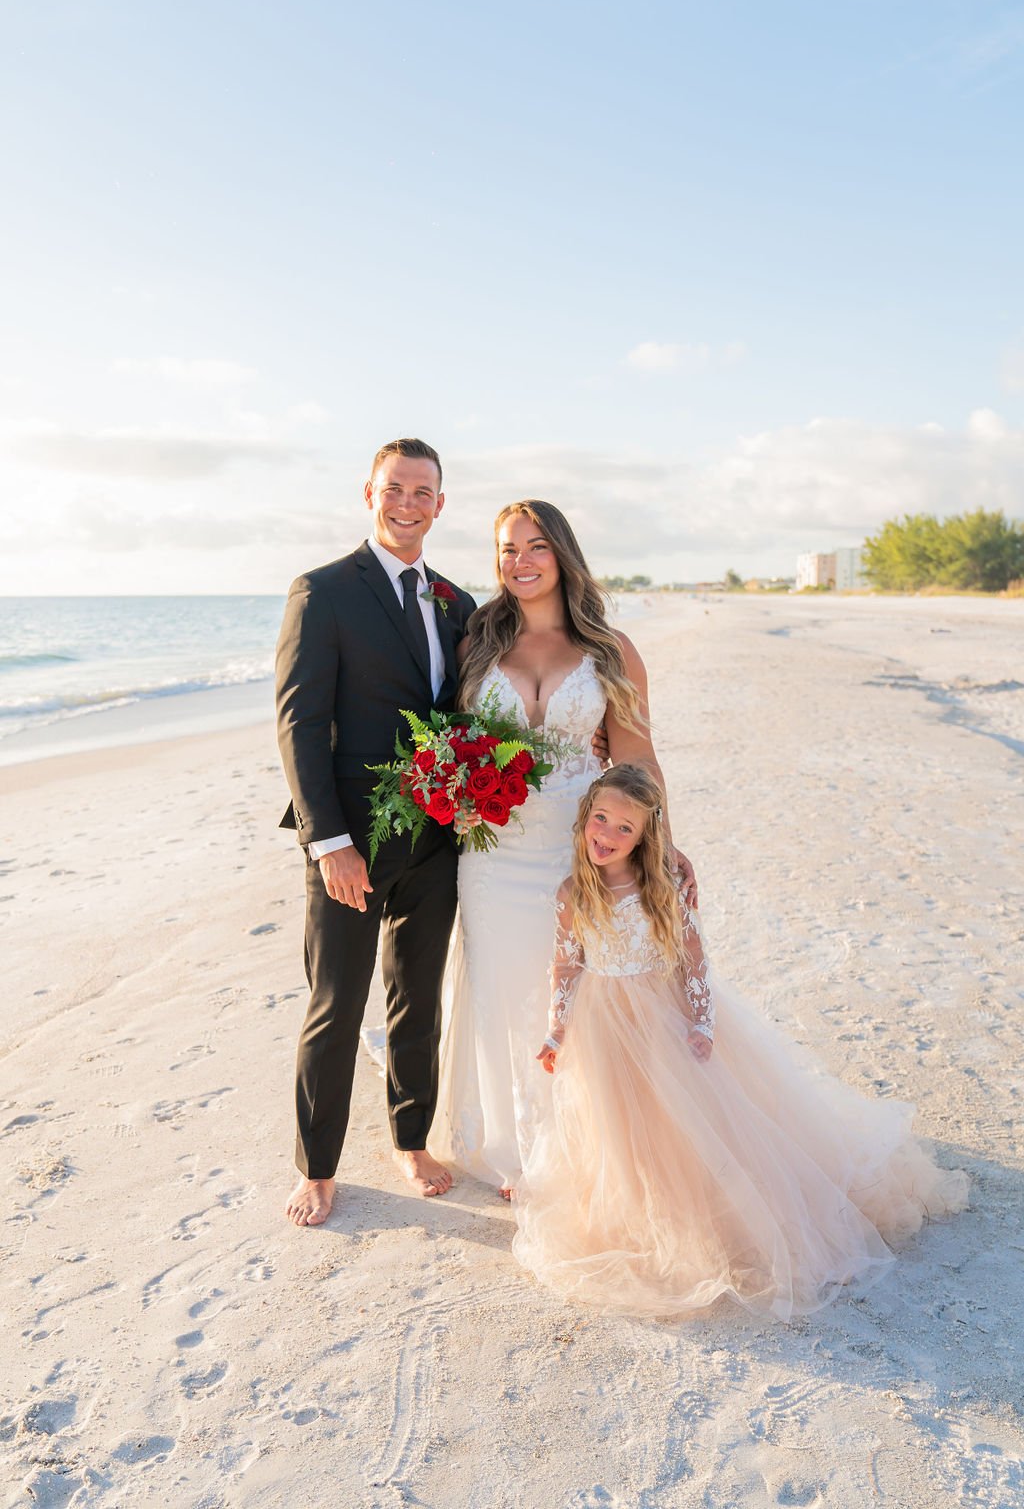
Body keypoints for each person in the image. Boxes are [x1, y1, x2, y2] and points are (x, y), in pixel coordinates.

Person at [513, 764, 969, 1321]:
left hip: (661, 1017)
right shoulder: (572, 893)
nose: (607, 835)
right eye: (601, 820)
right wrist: (556, 1029)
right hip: (603, 1025)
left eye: (624, 829)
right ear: (585, 818)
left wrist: (701, 1021)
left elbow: (690, 958)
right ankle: (640, 1223)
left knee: (688, 1120)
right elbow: (566, 964)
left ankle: (713, 1220)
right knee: (620, 1126)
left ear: (645, 836)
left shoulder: (660, 888)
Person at [430, 501, 696, 1196]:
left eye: (535, 545)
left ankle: (581, 1145)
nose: (520, 560)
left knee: (583, 997)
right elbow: (455, 749)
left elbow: (637, 760)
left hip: (582, 851)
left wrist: (660, 846)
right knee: (503, 986)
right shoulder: (476, 648)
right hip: (492, 855)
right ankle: (516, 1150)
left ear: (563, 554)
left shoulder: (611, 651)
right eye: (507, 549)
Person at [275, 438, 476, 1227]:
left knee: (418, 996)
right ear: (370, 492)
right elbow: (299, 722)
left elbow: (460, 711)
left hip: (435, 843)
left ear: (439, 503)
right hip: (350, 846)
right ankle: (317, 1165)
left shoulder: (455, 601)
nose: (408, 502)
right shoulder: (322, 590)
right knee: (335, 1003)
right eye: (396, 487)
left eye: (423, 491)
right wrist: (329, 842)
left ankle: (410, 1137)